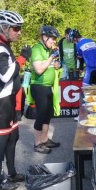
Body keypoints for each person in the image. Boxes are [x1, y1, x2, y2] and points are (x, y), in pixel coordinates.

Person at [0, 10, 32, 190]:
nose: (19, 32)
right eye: (16, 28)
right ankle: (0, 180)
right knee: (2, 140)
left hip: (9, 98)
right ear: (4, 27)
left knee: (13, 136)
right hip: (1, 100)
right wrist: (22, 58)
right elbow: (5, 76)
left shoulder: (4, 45)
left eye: (20, 28)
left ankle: (12, 173)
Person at [30, 25, 61, 154]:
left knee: (48, 114)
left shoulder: (48, 50)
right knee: (41, 115)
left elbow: (53, 66)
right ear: (44, 37)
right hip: (38, 86)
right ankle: (37, 144)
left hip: (48, 86)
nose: (54, 41)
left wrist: (57, 64)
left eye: (55, 39)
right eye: (52, 39)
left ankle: (45, 139)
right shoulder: (36, 49)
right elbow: (39, 69)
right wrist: (51, 58)